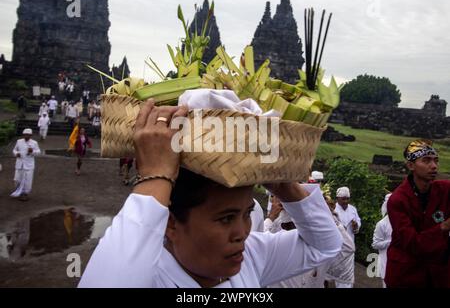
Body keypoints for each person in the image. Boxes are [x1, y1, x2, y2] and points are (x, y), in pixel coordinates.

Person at [79, 102, 343, 288]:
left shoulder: (251, 256)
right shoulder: (152, 277)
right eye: (226, 218)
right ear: (170, 223)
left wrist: (283, 186)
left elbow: (326, 245)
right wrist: (157, 177)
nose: (243, 232)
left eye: (247, 213)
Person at [385, 139, 450, 288]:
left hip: (438, 275)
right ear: (411, 165)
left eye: (436, 161)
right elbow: (413, 243)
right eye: (426, 161)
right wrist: (443, 227)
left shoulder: (444, 190)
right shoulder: (398, 200)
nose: (433, 166)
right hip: (406, 274)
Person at [11, 129, 41, 201]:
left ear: (31, 135)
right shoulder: (19, 141)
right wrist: (16, 153)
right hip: (19, 163)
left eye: (28, 134)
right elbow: (14, 150)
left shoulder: (34, 143)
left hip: (29, 164)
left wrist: (32, 151)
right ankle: (19, 191)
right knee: (17, 179)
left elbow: (39, 152)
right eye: (25, 134)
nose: (26, 136)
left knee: (27, 180)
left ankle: (25, 194)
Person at [372, 193, 392, 288]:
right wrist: (391, 242)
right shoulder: (382, 224)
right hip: (386, 262)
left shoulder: (404, 222)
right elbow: (375, 244)